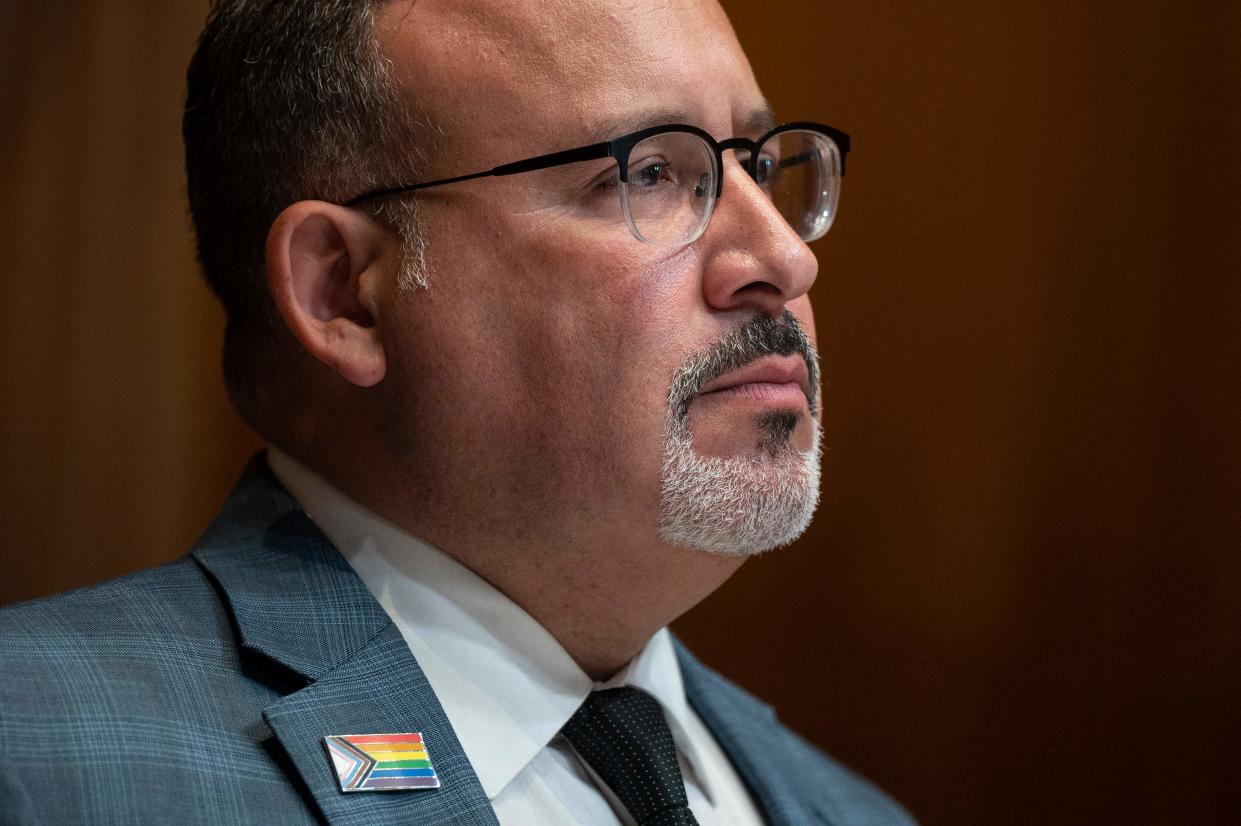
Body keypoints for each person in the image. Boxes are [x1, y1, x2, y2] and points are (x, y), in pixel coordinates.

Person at [0, 0, 915, 823]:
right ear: (344, 294)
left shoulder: (852, 811)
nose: (784, 260)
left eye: (755, 164)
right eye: (644, 174)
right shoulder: (39, 754)